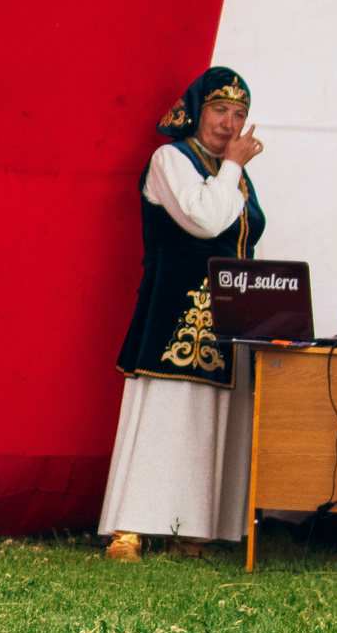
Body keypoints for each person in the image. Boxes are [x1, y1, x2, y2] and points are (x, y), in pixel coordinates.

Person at [99, 68, 264, 560]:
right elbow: (205, 218)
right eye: (219, 110)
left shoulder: (234, 172)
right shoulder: (170, 159)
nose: (229, 124)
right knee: (163, 414)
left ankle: (192, 528)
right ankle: (130, 526)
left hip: (225, 319)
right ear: (195, 110)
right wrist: (232, 167)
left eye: (239, 114)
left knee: (209, 419)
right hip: (174, 312)